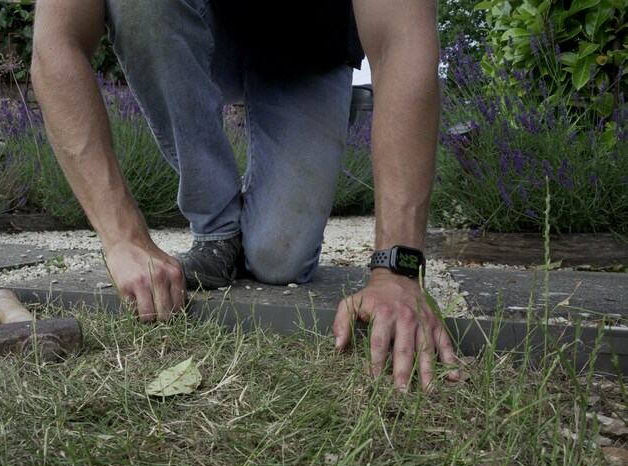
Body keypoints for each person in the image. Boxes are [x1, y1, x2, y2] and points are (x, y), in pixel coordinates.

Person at [31, 0, 460, 390]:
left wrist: (397, 270)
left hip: (308, 51)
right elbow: (57, 43)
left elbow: (399, 40)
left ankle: (305, 121)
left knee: (278, 260)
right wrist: (121, 237)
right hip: (197, 26)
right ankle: (218, 230)